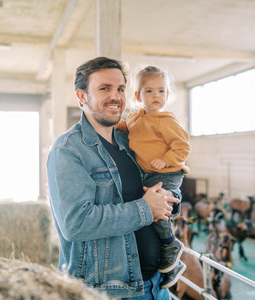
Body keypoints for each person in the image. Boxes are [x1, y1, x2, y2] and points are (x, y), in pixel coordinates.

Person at [46, 57, 180, 300]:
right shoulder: (68, 150)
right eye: (104, 88)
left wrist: (171, 196)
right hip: (111, 292)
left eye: (120, 89)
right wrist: (145, 209)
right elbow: (75, 223)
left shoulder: (129, 141)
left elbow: (164, 177)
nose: (116, 96)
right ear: (82, 96)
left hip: (157, 286)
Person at [116, 66, 190, 289]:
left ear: (168, 95)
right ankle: (170, 264)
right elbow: (126, 128)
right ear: (138, 96)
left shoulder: (166, 120)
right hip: (149, 173)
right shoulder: (136, 117)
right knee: (148, 210)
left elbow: (183, 147)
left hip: (168, 172)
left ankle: (170, 245)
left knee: (157, 208)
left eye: (161, 91)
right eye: (149, 91)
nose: (156, 96)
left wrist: (166, 159)